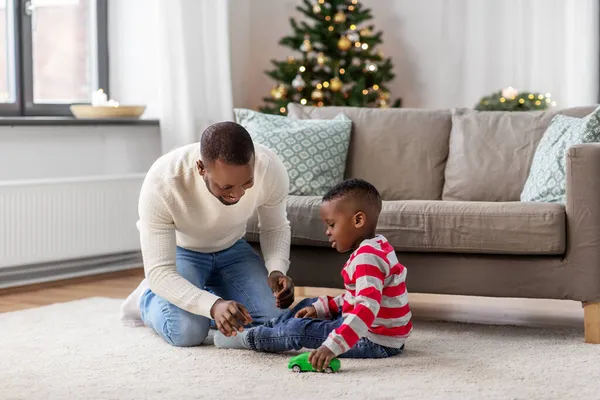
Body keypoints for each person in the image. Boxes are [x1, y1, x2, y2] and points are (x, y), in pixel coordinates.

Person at [120, 121, 295, 346]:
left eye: (247, 182)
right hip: (183, 251)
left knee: (273, 320)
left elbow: (276, 226)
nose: (238, 194)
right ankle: (147, 297)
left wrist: (277, 269)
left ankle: (204, 294)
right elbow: (160, 271)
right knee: (186, 333)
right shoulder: (163, 181)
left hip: (233, 249)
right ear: (201, 168)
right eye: (226, 187)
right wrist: (213, 306)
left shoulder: (269, 166)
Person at [214, 179, 412, 371]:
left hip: (374, 340)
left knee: (298, 331)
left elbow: (366, 308)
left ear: (358, 220)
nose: (327, 232)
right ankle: (268, 327)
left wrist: (332, 346)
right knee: (311, 305)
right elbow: (358, 297)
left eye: (331, 224)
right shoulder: (378, 246)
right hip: (380, 333)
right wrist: (320, 308)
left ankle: (248, 338)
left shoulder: (367, 258)